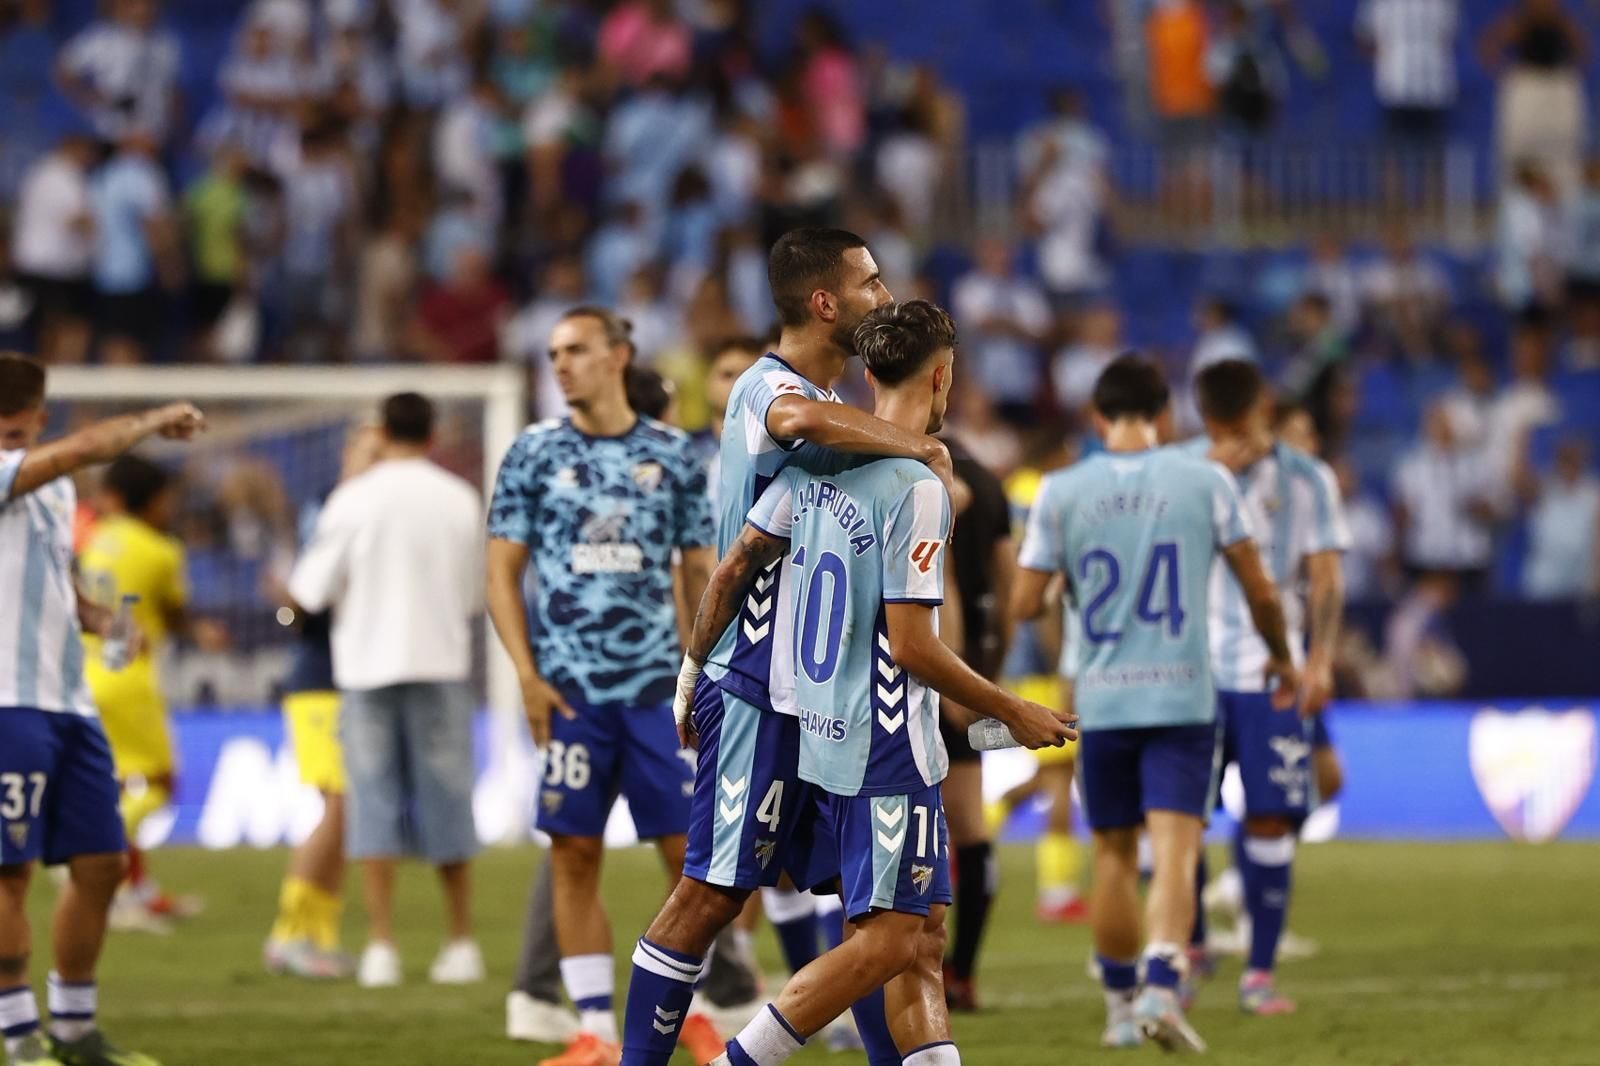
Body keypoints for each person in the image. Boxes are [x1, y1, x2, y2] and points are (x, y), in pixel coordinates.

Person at [688, 301, 1074, 1066]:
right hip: (887, 741)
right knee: (888, 941)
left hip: (822, 730)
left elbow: (735, 566)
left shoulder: (817, 463)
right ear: (944, 376)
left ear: (869, 372)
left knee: (921, 937)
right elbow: (914, 645)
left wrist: (694, 668)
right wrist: (1010, 708)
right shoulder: (919, 482)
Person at [618, 228, 954, 1066]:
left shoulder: (848, 419)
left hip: (828, 698)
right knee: (710, 893)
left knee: (883, 920)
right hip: (755, 687)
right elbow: (793, 429)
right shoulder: (771, 390)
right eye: (871, 284)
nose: (885, 296)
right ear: (825, 302)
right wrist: (919, 445)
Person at [1010, 355, 1295, 1052]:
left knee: (1111, 853)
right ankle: (1165, 982)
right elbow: (1259, 588)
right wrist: (1282, 655)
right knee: (1177, 849)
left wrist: (1063, 583)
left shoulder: (1061, 491)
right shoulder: (1205, 480)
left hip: (1103, 699)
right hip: (1182, 693)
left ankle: (1119, 1006)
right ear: (1165, 417)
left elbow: (1024, 602)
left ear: (1098, 418)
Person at [484, 307, 722, 1066]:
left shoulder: (675, 456)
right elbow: (500, 571)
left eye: (577, 350)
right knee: (573, 854)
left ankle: (690, 1009)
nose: (560, 365)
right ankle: (592, 1027)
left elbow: (698, 574)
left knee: (693, 860)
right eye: (554, 353)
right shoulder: (531, 453)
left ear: (619, 356)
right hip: (570, 693)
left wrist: (702, 678)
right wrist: (524, 675)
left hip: (659, 693)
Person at [0, 352, 205, 1066]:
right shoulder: (19, 469)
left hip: (71, 704)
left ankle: (77, 1028)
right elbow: (84, 449)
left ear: (39, 421)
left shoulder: (55, 496)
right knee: (9, 872)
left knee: (102, 863)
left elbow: (57, 582)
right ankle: (18, 1035)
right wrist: (154, 419)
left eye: (18, 433)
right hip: (7, 703)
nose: (11, 447)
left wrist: (100, 619)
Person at [287, 392, 485, 990]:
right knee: (448, 804)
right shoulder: (459, 497)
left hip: (366, 669)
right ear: (434, 433)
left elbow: (308, 591)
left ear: (382, 430)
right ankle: (460, 942)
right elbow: (474, 594)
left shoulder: (353, 499)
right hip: (440, 663)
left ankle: (381, 946)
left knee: (372, 807)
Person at [1187, 360, 1350, 1014]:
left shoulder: (1309, 478)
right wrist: (1209, 463)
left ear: (1266, 408)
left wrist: (1320, 661)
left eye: (1244, 421)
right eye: (1223, 425)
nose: (1237, 433)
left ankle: (1258, 972)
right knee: (1180, 820)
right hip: (1191, 671)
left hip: (1270, 673)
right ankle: (1190, 952)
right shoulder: (1185, 470)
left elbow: (1328, 577)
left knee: (1272, 815)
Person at [262, 424, 384, 980]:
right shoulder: (331, 508)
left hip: (351, 677)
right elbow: (310, 592)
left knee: (348, 809)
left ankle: (318, 934)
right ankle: (288, 933)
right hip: (319, 680)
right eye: (368, 450)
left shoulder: (368, 510)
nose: (379, 462)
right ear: (347, 453)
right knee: (338, 807)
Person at [78, 456, 207, 933]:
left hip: (88, 674)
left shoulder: (94, 539)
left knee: (111, 784)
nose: (171, 507)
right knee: (158, 784)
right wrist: (201, 630)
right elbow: (176, 614)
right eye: (166, 499)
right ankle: (94, 860)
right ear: (150, 500)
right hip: (129, 677)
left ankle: (138, 889)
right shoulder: (159, 549)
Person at [935, 435, 1016, 1011]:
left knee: (906, 831)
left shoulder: (910, 473)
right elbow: (1008, 587)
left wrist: (952, 677)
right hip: (971, 677)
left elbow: (944, 582)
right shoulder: (990, 483)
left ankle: (905, 971)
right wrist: (991, 677)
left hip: (918, 672)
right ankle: (961, 974)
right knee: (971, 826)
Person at [12, 133, 98, 365]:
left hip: (35, 265)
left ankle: (41, 387)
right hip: (55, 269)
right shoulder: (64, 176)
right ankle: (62, 386)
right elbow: (78, 220)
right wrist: (98, 245)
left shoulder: (39, 172)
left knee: (43, 332)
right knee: (66, 329)